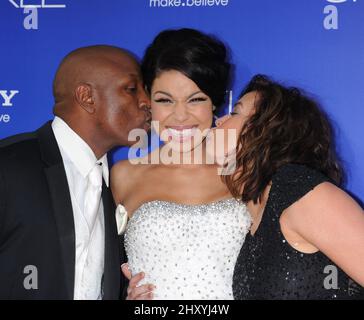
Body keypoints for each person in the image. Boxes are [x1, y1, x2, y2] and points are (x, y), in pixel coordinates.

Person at [0, 45, 150, 299]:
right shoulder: (8, 167)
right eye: (132, 89)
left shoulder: (117, 185)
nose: (147, 101)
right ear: (87, 97)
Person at [111, 28, 252, 300]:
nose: (179, 116)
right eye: (165, 100)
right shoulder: (124, 175)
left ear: (215, 103)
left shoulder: (246, 171)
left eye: (195, 99)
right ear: (148, 101)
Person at [217, 74, 364, 299]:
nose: (219, 121)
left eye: (235, 112)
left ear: (267, 132)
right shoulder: (258, 212)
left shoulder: (298, 189)